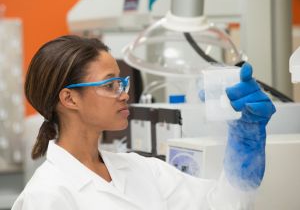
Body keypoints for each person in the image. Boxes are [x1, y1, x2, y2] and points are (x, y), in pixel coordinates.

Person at [12, 35, 275, 210]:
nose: (125, 94)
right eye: (110, 85)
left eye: (121, 82)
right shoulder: (46, 195)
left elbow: (221, 205)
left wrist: (246, 138)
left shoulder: (142, 170)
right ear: (69, 99)